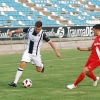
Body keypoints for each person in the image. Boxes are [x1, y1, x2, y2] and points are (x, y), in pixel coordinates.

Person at [8, 21, 62, 87]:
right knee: (22, 64)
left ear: (41, 28)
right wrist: (12, 32)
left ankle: (41, 64)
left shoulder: (43, 34)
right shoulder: (30, 29)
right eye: (36, 28)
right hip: (27, 52)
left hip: (36, 54)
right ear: (35, 26)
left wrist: (56, 52)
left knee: (39, 70)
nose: (37, 30)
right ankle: (15, 82)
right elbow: (21, 30)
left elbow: (50, 43)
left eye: (39, 29)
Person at [67, 24, 100, 89]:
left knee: (84, 71)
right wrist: (81, 49)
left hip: (97, 60)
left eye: (93, 30)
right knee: (87, 72)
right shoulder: (96, 39)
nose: (93, 31)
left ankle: (74, 85)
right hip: (91, 58)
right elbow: (91, 48)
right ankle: (95, 79)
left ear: (97, 30)